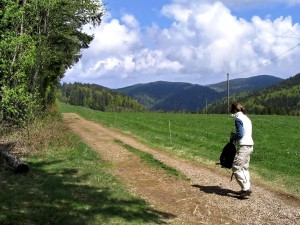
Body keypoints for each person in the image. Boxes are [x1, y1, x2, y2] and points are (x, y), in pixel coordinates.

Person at [230, 103, 254, 198]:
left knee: (236, 167)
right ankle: (246, 188)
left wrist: (233, 136)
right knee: (244, 168)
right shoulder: (247, 118)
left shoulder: (238, 119)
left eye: (231, 110)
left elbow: (240, 134)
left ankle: (245, 189)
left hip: (243, 147)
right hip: (250, 146)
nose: (230, 112)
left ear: (234, 110)